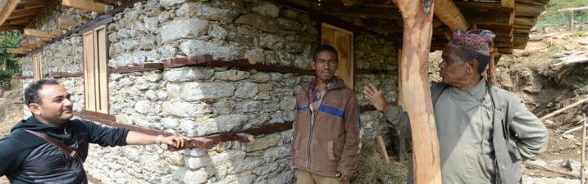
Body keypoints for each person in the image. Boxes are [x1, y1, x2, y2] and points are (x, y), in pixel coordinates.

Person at [363, 29, 549, 184]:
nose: (441, 65)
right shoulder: (434, 95)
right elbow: (414, 131)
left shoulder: (502, 103)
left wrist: (501, 158)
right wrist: (386, 107)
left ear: (471, 66)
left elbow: (538, 138)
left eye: (448, 60)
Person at [0, 79, 188, 183]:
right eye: (58, 100)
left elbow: (117, 136)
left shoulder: (79, 127)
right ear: (35, 108)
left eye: (68, 97)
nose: (68, 103)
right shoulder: (18, 142)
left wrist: (161, 139)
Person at [290, 45, 361, 184]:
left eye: (331, 62)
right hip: (305, 167)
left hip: (331, 170)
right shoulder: (303, 93)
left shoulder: (347, 95)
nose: (326, 66)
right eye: (322, 61)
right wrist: (295, 155)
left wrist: (346, 167)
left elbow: (354, 134)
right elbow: (297, 127)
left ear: (337, 65)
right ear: (314, 65)